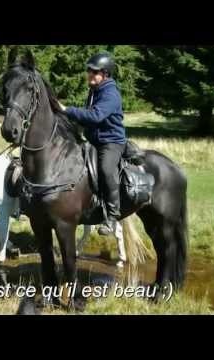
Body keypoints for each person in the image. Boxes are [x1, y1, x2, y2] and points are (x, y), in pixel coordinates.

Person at [58, 52, 126, 236]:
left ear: (105, 74)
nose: (89, 74)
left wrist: (67, 110)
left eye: (94, 72)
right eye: (89, 70)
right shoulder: (94, 91)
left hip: (111, 142)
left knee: (105, 168)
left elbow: (95, 116)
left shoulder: (111, 93)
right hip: (94, 141)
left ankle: (112, 217)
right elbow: (88, 118)